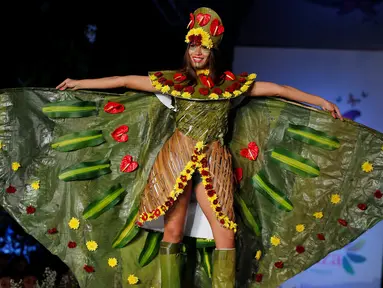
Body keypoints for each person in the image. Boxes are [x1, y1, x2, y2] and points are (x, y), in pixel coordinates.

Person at [1, 6, 382, 288]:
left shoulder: (229, 86)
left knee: (226, 235)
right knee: (172, 230)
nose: (197, 53)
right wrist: (81, 83)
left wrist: (321, 101)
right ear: (187, 49)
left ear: (212, 50)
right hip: (177, 157)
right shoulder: (175, 83)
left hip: (215, 160)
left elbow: (280, 90)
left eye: (203, 48)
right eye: (192, 47)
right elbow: (124, 80)